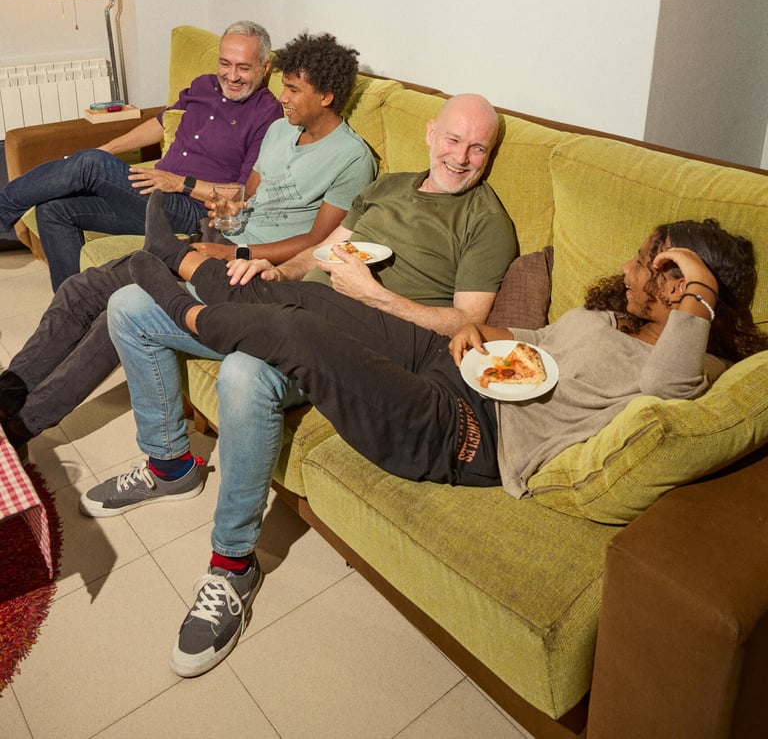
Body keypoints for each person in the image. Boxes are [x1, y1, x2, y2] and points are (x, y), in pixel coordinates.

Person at [86, 216, 764, 680]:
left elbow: (673, 387)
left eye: (650, 261)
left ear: (683, 290)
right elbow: (542, 341)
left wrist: (699, 285)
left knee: (305, 341)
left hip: (462, 432)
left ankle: (190, 305)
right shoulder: (616, 316)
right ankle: (194, 272)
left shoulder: (680, 369)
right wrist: (482, 330)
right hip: (461, 368)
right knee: (317, 303)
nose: (628, 264)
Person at [81, 92, 517, 677]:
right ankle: (170, 467)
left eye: (477, 148)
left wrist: (376, 296)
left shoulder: (484, 221)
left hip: (367, 349)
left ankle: (233, 567)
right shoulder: (389, 188)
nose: (461, 157)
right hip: (307, 298)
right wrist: (272, 268)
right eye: (454, 140)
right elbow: (324, 253)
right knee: (130, 304)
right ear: (430, 133)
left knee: (244, 370)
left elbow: (468, 330)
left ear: (489, 156)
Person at [0, 32, 376, 455]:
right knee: (80, 289)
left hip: (244, 269)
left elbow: (317, 241)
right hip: (213, 238)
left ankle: (22, 427)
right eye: (284, 86)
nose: (283, 97)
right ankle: (9, 392)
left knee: (120, 311)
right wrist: (223, 207)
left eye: (292, 89)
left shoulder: (352, 159)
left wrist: (234, 251)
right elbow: (249, 195)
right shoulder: (279, 130)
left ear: (326, 95)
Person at [0, 20, 282, 290]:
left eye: (243, 68)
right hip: (150, 192)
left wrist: (179, 182)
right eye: (225, 64)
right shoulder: (203, 85)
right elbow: (161, 122)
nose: (232, 76)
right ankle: (71, 313)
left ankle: (3, 211)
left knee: (91, 164)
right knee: (54, 210)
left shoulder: (267, 114)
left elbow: (241, 194)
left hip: (191, 208)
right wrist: (106, 150)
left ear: (264, 66)